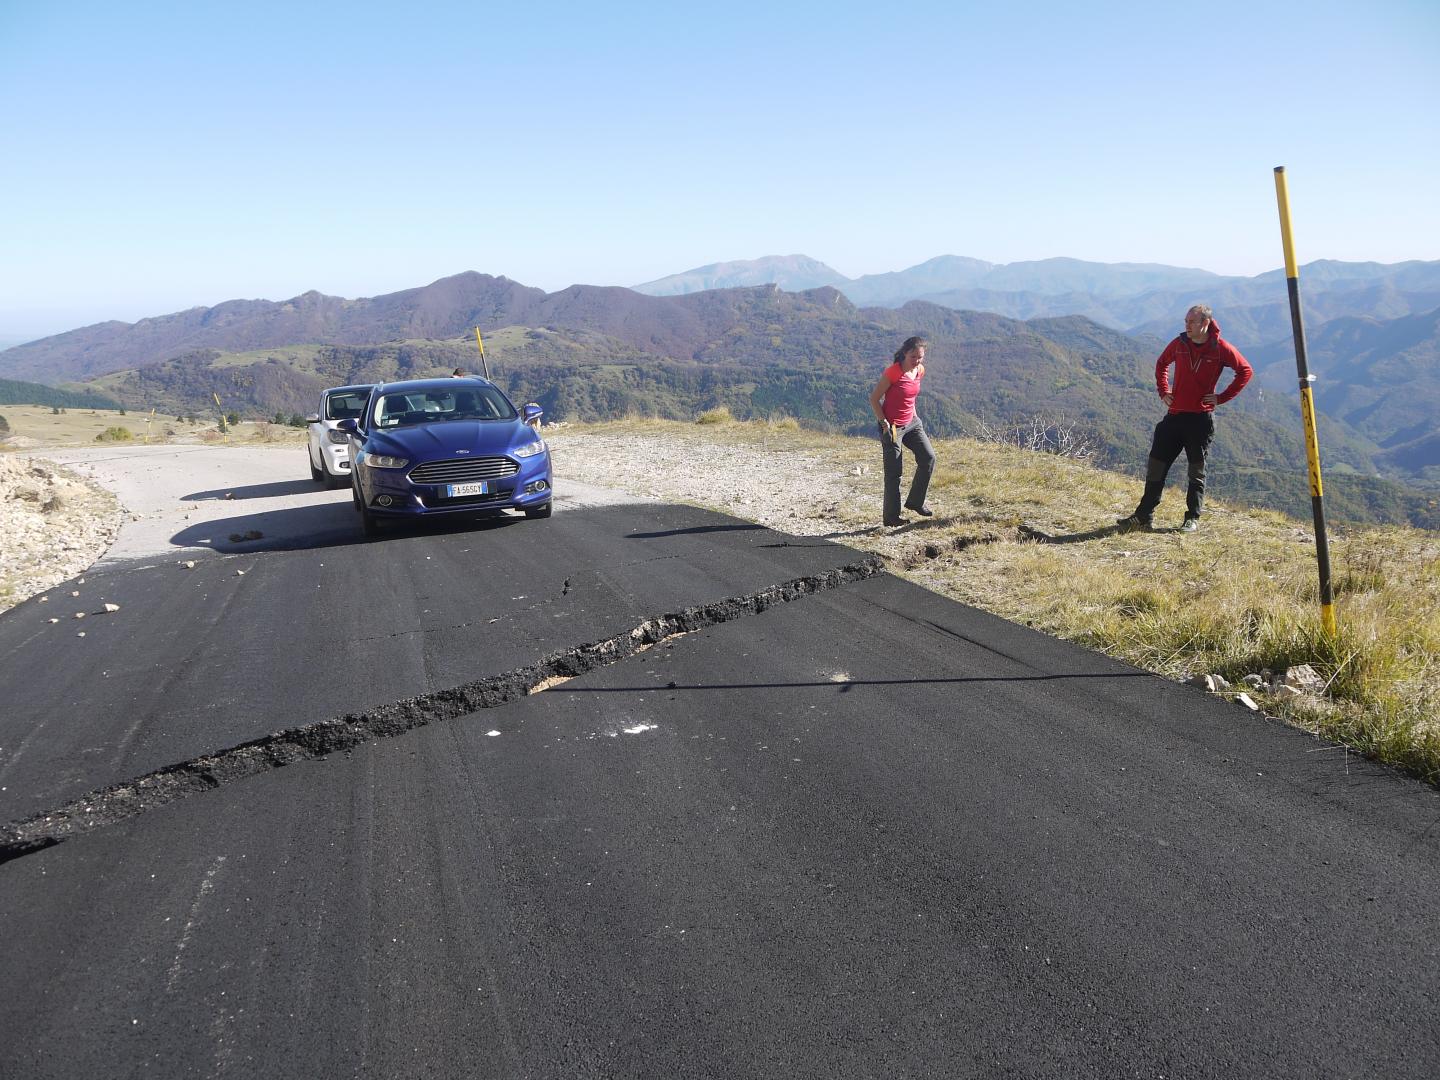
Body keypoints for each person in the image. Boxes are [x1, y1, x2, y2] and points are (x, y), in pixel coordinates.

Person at [1118, 304, 1252, 533]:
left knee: (1196, 472)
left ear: (1205, 324)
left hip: (1200, 420)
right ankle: (1143, 516)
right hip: (1174, 417)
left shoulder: (1220, 348)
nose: (1187, 326)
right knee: (1156, 468)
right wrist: (1163, 390)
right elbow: (1161, 364)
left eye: (1192, 322)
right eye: (1186, 321)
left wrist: (1221, 398)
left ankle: (1192, 519)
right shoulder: (1179, 344)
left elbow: (1245, 371)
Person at [869, 335, 937, 527]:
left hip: (912, 423)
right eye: (913, 357)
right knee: (894, 473)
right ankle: (891, 518)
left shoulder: (919, 371)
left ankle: (916, 502)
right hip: (892, 427)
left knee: (928, 458)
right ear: (905, 353)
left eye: (920, 357)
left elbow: (911, 397)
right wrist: (884, 424)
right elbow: (874, 399)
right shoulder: (893, 372)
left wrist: (914, 416)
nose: (917, 361)